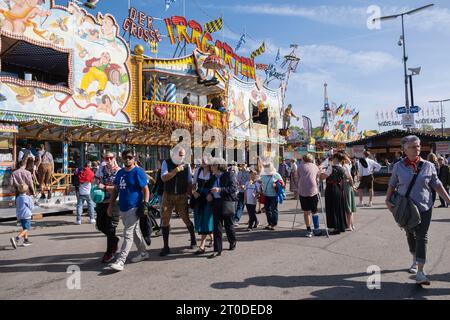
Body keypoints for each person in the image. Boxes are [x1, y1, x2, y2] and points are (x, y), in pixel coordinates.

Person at [386, 136, 450, 285]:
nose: (418, 149)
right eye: (414, 147)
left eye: (419, 146)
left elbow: (437, 185)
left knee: (422, 235)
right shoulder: (398, 166)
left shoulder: (428, 165)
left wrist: (448, 200)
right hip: (406, 207)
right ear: (405, 149)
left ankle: (420, 272)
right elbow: (392, 184)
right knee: (410, 234)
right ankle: (414, 259)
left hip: (425, 206)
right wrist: (387, 200)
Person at [108, 150, 150, 272]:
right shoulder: (120, 173)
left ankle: (121, 261)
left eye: (130, 157)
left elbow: (146, 189)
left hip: (134, 207)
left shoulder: (138, 172)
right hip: (123, 207)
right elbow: (116, 190)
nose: (128, 159)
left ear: (134, 158)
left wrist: (145, 204)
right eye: (125, 157)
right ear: (121, 159)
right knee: (135, 233)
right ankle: (143, 253)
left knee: (128, 234)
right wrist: (111, 206)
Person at [159, 147, 196, 257]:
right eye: (180, 155)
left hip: (181, 195)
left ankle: (193, 239)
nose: (182, 157)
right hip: (168, 195)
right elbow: (164, 178)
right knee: (165, 220)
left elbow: (189, 182)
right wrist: (175, 170)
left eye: (183, 155)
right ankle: (166, 247)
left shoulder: (187, 165)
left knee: (185, 218)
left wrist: (192, 195)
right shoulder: (166, 162)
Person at [207, 161, 238, 258]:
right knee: (217, 227)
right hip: (216, 203)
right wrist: (209, 194)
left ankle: (232, 241)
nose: (211, 166)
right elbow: (208, 187)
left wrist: (220, 189)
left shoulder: (229, 175)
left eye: (214, 164)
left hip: (226, 202)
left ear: (219, 166)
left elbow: (233, 188)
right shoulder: (213, 177)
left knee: (229, 225)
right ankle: (217, 249)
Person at [95, 152, 121, 263]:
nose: (109, 160)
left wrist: (105, 187)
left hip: (114, 202)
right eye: (107, 158)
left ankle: (109, 253)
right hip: (101, 201)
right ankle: (114, 239)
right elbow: (96, 180)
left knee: (110, 228)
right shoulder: (101, 168)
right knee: (100, 225)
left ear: (114, 158)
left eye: (111, 158)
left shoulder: (119, 170)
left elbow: (117, 188)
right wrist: (97, 184)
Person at [321, 153, 348, 235]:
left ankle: (335, 228)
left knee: (332, 207)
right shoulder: (343, 168)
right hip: (339, 188)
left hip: (331, 188)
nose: (332, 159)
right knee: (339, 207)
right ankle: (341, 226)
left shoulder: (331, 168)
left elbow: (322, 177)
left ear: (336, 158)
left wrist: (321, 172)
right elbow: (346, 178)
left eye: (333, 158)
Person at [192, 158, 214, 254]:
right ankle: (212, 237)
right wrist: (193, 192)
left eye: (205, 160)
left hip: (208, 197)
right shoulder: (198, 171)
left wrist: (211, 194)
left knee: (206, 219)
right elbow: (193, 185)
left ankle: (202, 246)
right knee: (200, 218)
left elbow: (214, 185)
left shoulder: (212, 172)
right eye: (202, 159)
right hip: (199, 196)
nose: (203, 161)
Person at [297, 154, 320, 238]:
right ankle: (317, 229)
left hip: (303, 191)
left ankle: (309, 230)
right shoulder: (315, 167)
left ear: (303, 159)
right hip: (313, 190)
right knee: (314, 211)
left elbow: (298, 177)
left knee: (306, 212)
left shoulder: (300, 167)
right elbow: (317, 179)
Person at [260, 160, 284, 231]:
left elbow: (282, 184)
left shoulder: (276, 175)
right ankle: (269, 223)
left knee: (274, 210)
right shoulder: (263, 175)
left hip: (274, 195)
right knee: (267, 209)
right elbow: (261, 182)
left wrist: (276, 185)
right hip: (266, 195)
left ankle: (274, 224)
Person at [10, 184, 34, 249]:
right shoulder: (28, 198)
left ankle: (26, 241)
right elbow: (31, 207)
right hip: (26, 215)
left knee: (24, 228)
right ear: (27, 190)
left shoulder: (17, 198)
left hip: (20, 215)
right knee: (26, 229)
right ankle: (16, 238)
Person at [342, 154, 356, 231]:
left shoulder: (345, 166)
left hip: (346, 186)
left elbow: (350, 178)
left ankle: (349, 225)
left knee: (348, 207)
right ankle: (351, 224)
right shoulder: (347, 165)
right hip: (347, 186)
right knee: (350, 206)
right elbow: (350, 178)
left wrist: (352, 184)